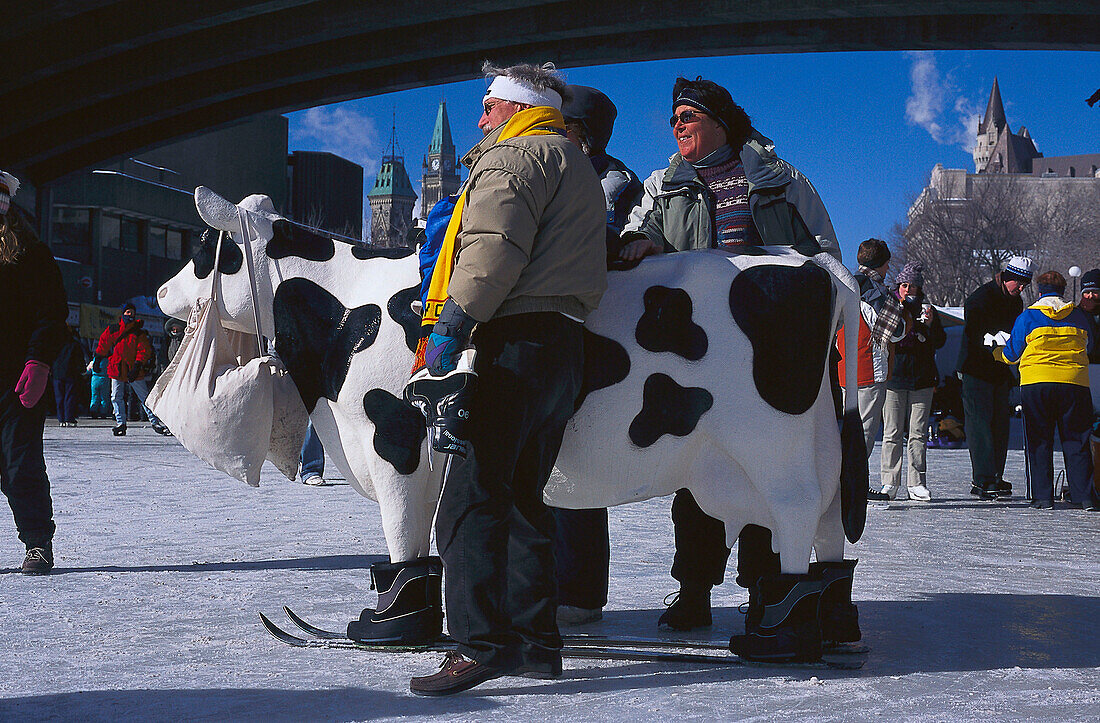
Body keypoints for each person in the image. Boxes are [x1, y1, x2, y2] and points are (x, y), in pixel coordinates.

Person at [615, 76, 857, 662]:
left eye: (689, 115)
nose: (678, 124)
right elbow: (634, 236)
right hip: (691, 353)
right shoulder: (663, 186)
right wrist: (640, 244)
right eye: (674, 116)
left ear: (720, 120)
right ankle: (693, 589)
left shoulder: (781, 181)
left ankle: (765, 592)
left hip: (769, 347)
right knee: (695, 474)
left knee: (767, 467)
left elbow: (826, 254)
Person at [407, 62, 606, 696]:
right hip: (566, 344)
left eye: (489, 106)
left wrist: (452, 323)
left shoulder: (513, 159)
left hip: (515, 341)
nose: (481, 118)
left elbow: (493, 249)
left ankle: (478, 644)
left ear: (515, 108)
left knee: (469, 499)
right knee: (524, 497)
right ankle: (535, 642)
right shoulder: (574, 161)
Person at [550, 84, 644, 627]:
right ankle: (554, 583)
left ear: (585, 133)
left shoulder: (615, 182)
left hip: (605, 337)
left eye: (564, 127)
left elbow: (611, 239)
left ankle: (582, 590)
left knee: (577, 458)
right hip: (565, 326)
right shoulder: (559, 170)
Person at [0, 170, 69, 574]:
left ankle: (37, 542)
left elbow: (52, 312)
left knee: (18, 463)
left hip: (17, 378)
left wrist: (39, 360)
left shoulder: (30, 254)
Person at [995, 271, 1098, 510]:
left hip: (1037, 384)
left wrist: (995, 353)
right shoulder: (1080, 317)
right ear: (1063, 291)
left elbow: (1011, 354)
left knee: (1039, 441)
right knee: (1077, 441)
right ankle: (1083, 497)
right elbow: (1090, 346)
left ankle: (1042, 497)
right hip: (1074, 384)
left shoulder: (1028, 316)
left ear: (1040, 292)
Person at [839, 239, 909, 502]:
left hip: (844, 364)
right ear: (882, 264)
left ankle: (849, 482)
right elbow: (894, 331)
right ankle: (850, 486)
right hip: (868, 366)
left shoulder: (845, 281)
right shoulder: (873, 290)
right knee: (863, 433)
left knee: (848, 430)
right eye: (888, 263)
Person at [957, 256, 1031, 500]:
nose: (1021, 289)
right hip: (976, 370)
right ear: (1008, 277)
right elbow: (975, 333)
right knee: (980, 426)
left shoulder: (1015, 302)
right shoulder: (980, 298)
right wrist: (996, 341)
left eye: (1024, 285)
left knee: (1000, 425)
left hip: (1000, 371)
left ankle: (996, 475)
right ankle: (983, 479)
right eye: (1018, 283)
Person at [878, 262, 945, 500]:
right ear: (899, 285)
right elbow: (885, 336)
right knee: (892, 432)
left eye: (913, 286)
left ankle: (917, 481)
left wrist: (928, 326)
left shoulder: (928, 310)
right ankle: (889, 481)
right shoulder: (890, 305)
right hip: (895, 377)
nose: (908, 289)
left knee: (918, 433)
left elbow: (939, 341)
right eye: (904, 285)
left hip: (922, 379)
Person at [95, 303, 170, 436]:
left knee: (144, 397)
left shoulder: (138, 332)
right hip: (117, 368)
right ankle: (121, 423)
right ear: (123, 313)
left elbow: (144, 350)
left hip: (132, 369)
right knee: (116, 397)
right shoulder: (114, 329)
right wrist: (98, 359)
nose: (130, 314)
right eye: (128, 312)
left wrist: (137, 365)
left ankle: (155, 422)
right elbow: (104, 343)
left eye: (132, 312)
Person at [52, 327, 88, 427]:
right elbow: (80, 359)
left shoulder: (56, 344)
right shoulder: (74, 344)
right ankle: (69, 418)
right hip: (70, 373)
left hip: (57, 373)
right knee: (69, 396)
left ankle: (61, 419)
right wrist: (82, 370)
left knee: (59, 397)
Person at [1077, 268, 1100, 363]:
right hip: (1085, 365)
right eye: (1086, 292)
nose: (1090, 296)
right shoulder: (1076, 314)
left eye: (1095, 292)